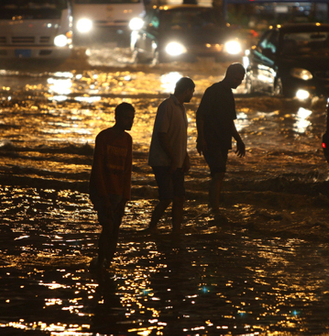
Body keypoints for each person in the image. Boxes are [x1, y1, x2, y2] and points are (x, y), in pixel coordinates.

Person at [146, 77, 196, 237]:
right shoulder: (167, 106)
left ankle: (176, 230)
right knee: (167, 197)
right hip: (163, 161)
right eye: (192, 92)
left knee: (179, 197)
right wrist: (174, 158)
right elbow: (162, 135)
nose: (192, 95)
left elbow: (179, 137)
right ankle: (151, 227)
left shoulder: (181, 108)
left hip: (176, 161)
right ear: (187, 90)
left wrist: (184, 156)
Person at [89, 102, 135, 272]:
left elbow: (127, 170)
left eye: (132, 118)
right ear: (117, 117)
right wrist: (103, 196)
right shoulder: (104, 137)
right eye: (126, 118)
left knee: (115, 228)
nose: (130, 122)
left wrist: (125, 197)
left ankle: (107, 261)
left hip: (118, 192)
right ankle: (101, 260)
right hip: (103, 190)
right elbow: (98, 168)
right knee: (108, 225)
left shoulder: (128, 140)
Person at [196, 63, 246, 213]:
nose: (239, 82)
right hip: (211, 140)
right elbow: (200, 115)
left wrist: (238, 140)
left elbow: (229, 121)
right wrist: (201, 137)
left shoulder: (228, 94)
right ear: (229, 75)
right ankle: (214, 208)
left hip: (223, 141)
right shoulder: (213, 91)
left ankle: (213, 206)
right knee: (218, 173)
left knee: (218, 174)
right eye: (237, 79)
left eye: (241, 80)